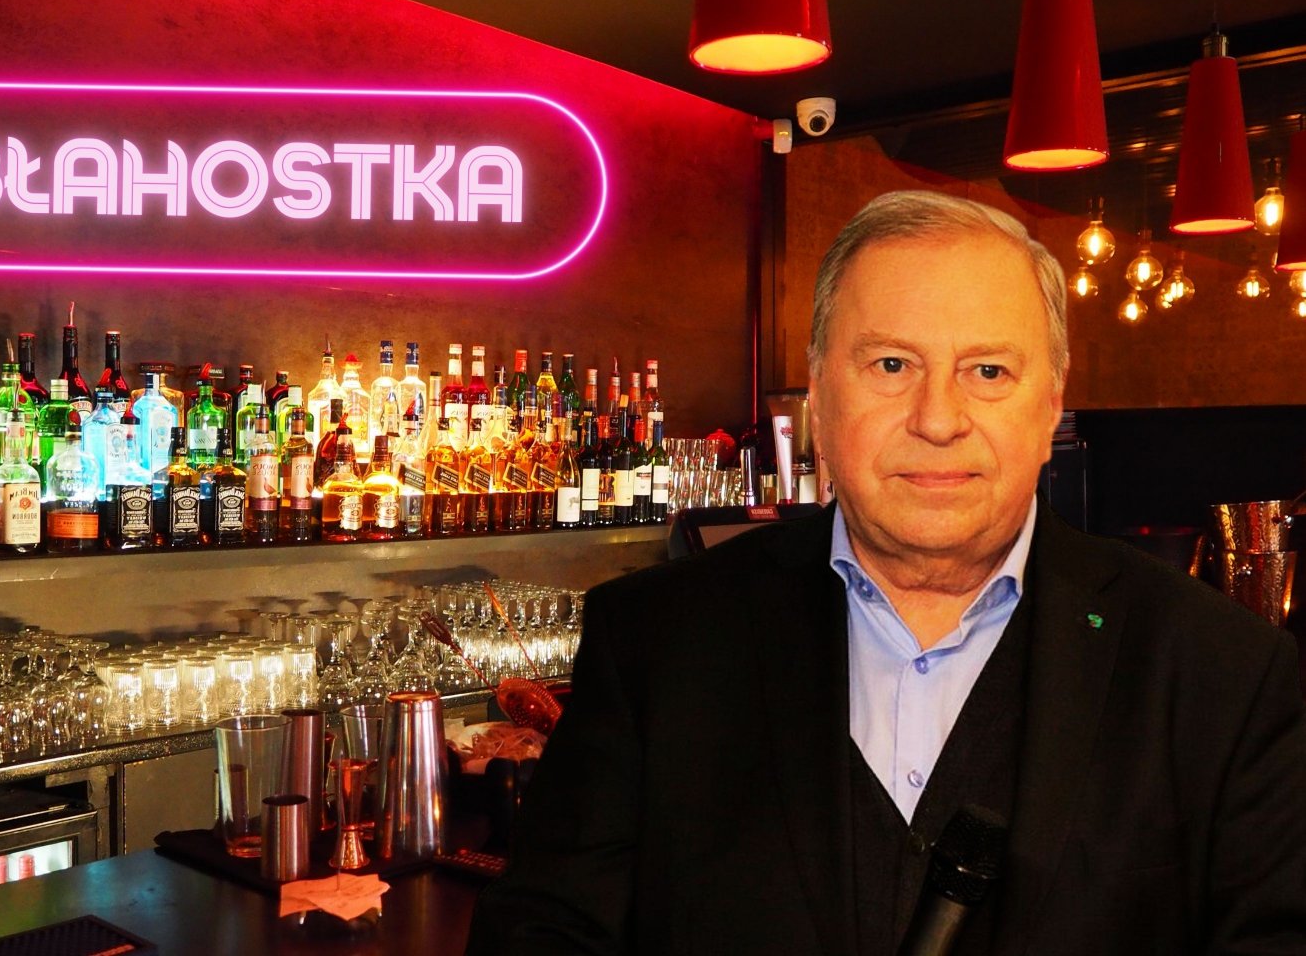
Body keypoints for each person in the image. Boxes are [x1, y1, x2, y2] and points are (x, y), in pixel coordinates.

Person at [465, 190, 1306, 955]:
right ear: (820, 397)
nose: (938, 419)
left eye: (988, 371)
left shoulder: (1224, 672)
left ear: (1052, 403)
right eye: (892, 365)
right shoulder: (653, 642)